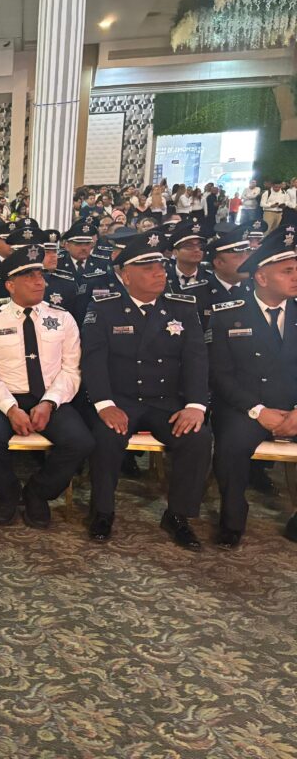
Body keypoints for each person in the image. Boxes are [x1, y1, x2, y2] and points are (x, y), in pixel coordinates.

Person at [80, 233, 212, 548]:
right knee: (106, 436)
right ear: (125, 276)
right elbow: (93, 361)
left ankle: (178, 515)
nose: (159, 273)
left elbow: (197, 360)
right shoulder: (105, 309)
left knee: (198, 437)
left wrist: (196, 405)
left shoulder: (182, 308)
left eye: (161, 266)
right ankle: (102, 511)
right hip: (120, 399)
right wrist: (104, 404)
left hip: (166, 402)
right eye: (148, 268)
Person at [0, 245, 93, 528]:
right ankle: (8, 493)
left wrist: (49, 403)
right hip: (5, 398)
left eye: (40, 275)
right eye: (29, 277)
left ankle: (38, 492)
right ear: (10, 285)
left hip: (51, 397)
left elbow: (71, 369)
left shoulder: (63, 319)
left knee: (81, 442)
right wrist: (10, 408)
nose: (40, 282)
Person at [209, 225, 297, 548]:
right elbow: (219, 375)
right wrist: (259, 411)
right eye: (287, 271)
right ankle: (232, 519)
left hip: (292, 407)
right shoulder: (227, 315)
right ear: (261, 277)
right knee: (231, 446)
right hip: (245, 407)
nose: (296, 276)